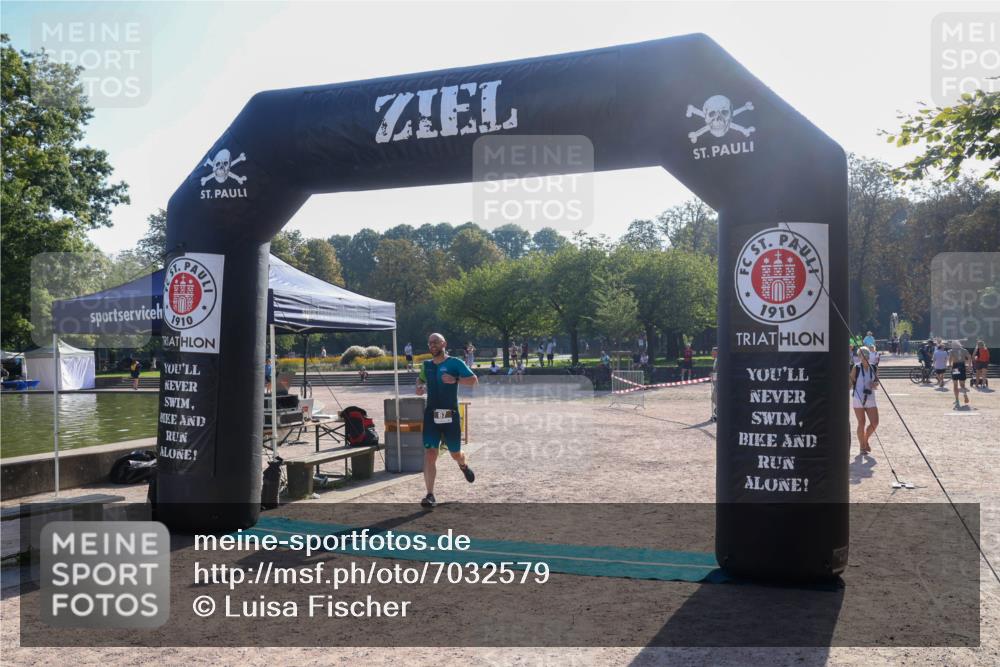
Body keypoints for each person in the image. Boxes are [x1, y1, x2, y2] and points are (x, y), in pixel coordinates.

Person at [416, 333, 478, 508]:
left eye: (435, 342)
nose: (432, 345)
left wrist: (455, 379)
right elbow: (420, 380)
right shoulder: (426, 365)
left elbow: (474, 380)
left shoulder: (455, 363)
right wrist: (419, 387)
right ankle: (430, 495)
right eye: (429, 343)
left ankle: (463, 465)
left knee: (455, 453)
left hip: (450, 415)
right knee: (430, 454)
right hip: (431, 415)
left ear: (444, 343)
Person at [850, 346, 880, 456]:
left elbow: (877, 382)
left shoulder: (874, 367)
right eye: (862, 355)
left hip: (870, 397)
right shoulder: (856, 368)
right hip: (858, 398)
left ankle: (865, 439)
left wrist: (875, 384)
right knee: (861, 423)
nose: (864, 357)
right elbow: (851, 382)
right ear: (859, 357)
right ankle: (862, 446)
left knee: (875, 422)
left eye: (866, 355)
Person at [949, 341, 971, 409]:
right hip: (962, 366)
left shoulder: (952, 351)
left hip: (956, 367)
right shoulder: (964, 350)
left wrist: (950, 366)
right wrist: (969, 366)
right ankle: (965, 395)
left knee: (955, 384)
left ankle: (957, 400)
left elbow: (950, 359)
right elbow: (969, 357)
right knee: (962, 384)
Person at [710, 346, 718, 422]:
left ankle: (717, 413)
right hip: (716, 382)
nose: (711, 353)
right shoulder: (715, 360)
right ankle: (717, 412)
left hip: (719, 383)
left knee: (715, 398)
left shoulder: (719, 360)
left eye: (713, 352)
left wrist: (714, 374)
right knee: (714, 398)